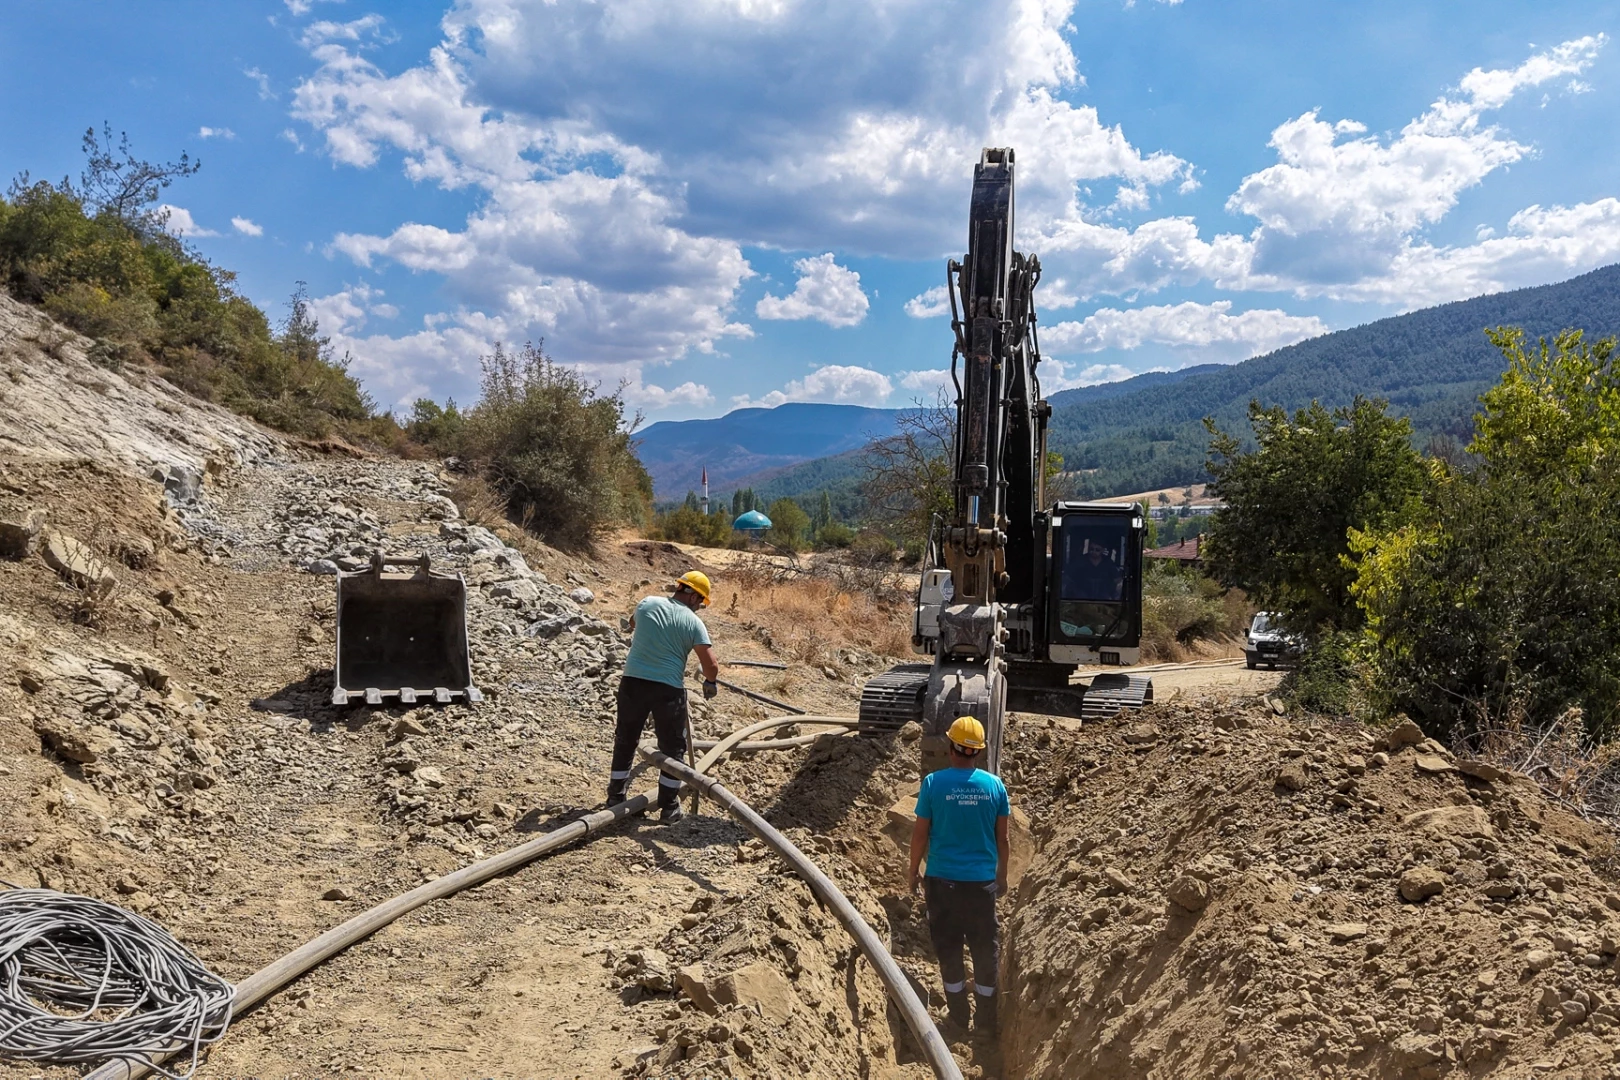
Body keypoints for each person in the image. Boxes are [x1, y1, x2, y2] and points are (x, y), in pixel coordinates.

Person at [907, 716, 1010, 1034]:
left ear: (951, 748)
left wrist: (913, 872)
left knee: (949, 948)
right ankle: (986, 1021)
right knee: (983, 948)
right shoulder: (994, 787)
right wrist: (1002, 877)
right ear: (977, 752)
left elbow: (920, 835)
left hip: (942, 883)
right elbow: (1003, 839)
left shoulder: (933, 784)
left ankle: (958, 1017)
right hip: (981, 885)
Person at [607, 571, 719, 823]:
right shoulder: (693, 622)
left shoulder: (647, 603)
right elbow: (711, 665)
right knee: (672, 748)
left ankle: (615, 797)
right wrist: (710, 683)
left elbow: (633, 623)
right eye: (701, 601)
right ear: (693, 596)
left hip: (632, 682)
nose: (700, 607)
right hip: (667, 690)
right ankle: (669, 807)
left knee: (626, 738)